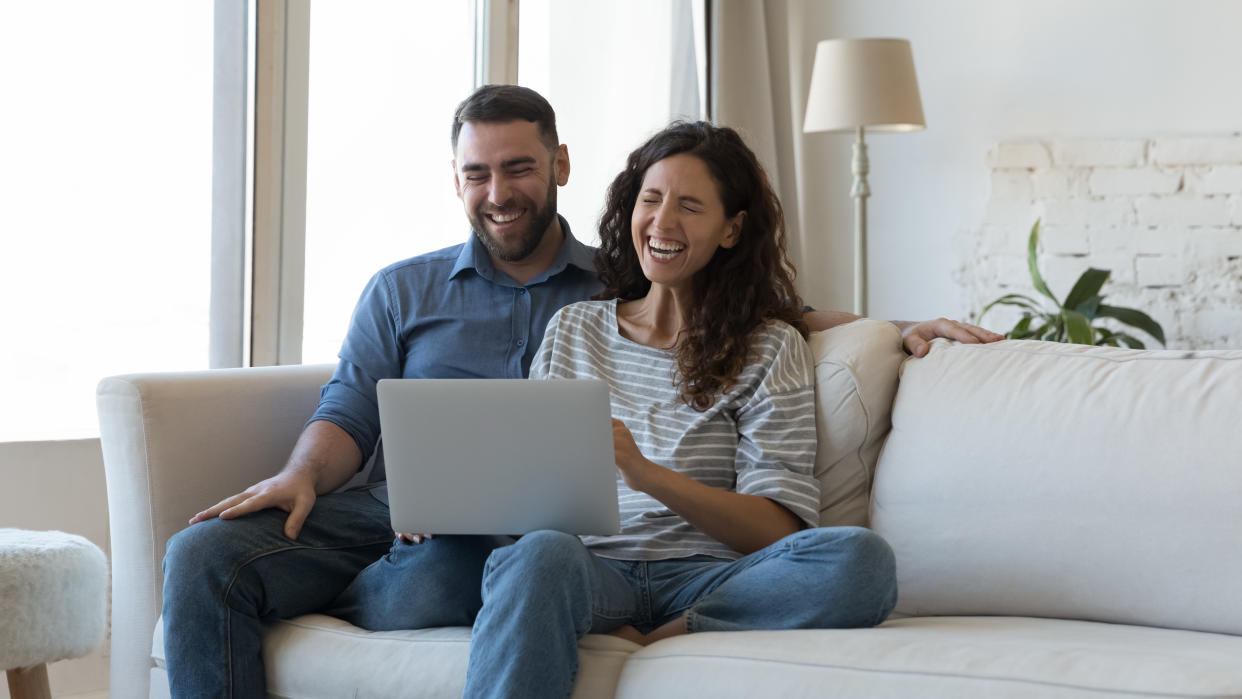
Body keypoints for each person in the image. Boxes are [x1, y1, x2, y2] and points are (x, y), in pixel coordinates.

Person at [160, 84, 1001, 699]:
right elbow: (350, 404)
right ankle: (390, 581)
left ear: (559, 165)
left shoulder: (665, 305)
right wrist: (316, 473)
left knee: (857, 561)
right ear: (456, 181)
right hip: (459, 527)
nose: (498, 192)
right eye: (477, 173)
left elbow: (782, 321)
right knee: (208, 553)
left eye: (518, 167)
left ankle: (648, 628)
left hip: (624, 564)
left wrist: (895, 327)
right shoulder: (504, 308)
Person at [458, 121, 896, 698]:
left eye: (690, 207)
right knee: (538, 554)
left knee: (860, 561)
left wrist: (646, 475)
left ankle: (666, 633)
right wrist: (458, 498)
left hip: (709, 577)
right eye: (651, 199)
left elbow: (776, 528)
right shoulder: (575, 330)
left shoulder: (769, 346)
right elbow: (533, 498)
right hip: (592, 573)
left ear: (732, 230)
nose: (663, 223)